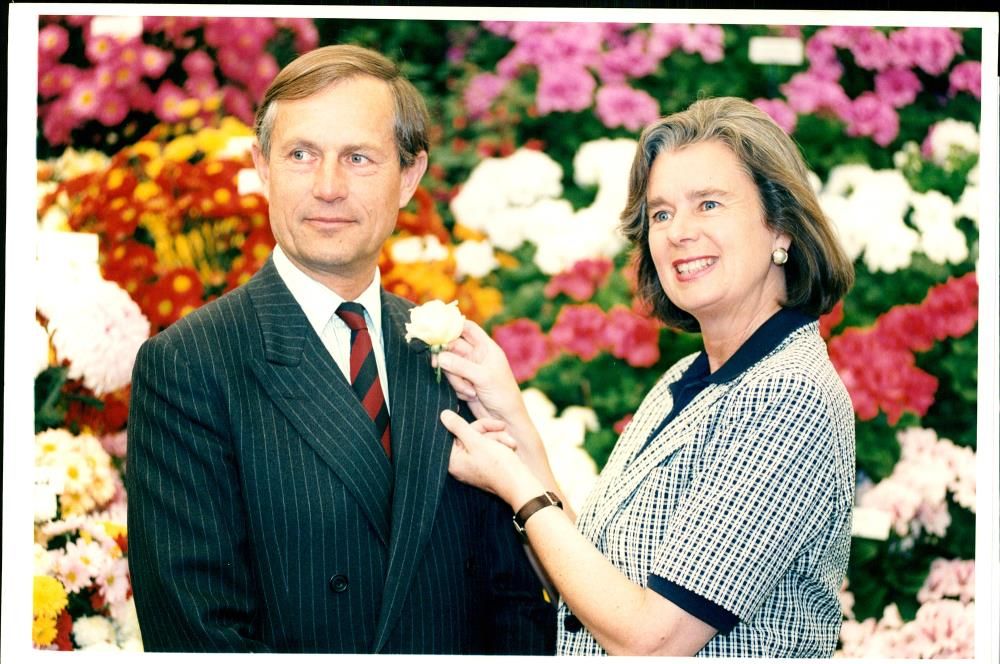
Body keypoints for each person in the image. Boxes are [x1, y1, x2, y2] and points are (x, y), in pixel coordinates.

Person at [126, 44, 554, 654]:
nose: (328, 187)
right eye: (301, 155)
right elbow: (196, 630)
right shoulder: (191, 365)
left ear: (408, 177)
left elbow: (511, 602)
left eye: (358, 158)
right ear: (263, 167)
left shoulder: (451, 351)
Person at [434, 96, 857, 657]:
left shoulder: (789, 396)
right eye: (661, 213)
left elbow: (651, 640)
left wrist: (514, 484)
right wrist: (507, 411)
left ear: (780, 226)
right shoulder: (688, 379)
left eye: (708, 204)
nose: (678, 232)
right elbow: (591, 584)